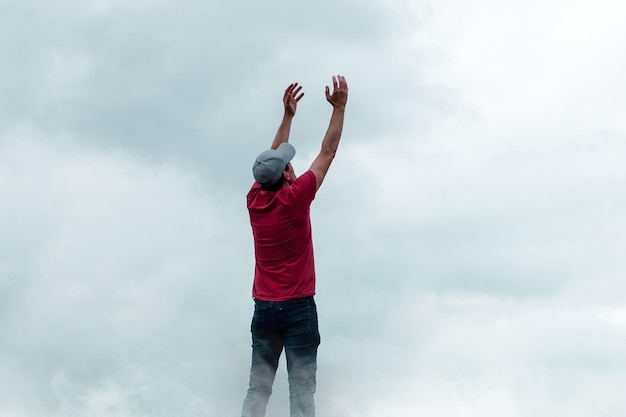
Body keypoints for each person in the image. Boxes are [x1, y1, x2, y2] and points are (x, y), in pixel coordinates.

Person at [241, 75, 348, 417]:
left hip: (265, 310)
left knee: (258, 387)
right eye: (288, 164)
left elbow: (269, 165)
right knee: (302, 391)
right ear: (288, 176)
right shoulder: (296, 199)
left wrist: (287, 117)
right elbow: (327, 152)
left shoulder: (255, 199)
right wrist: (339, 109)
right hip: (298, 308)